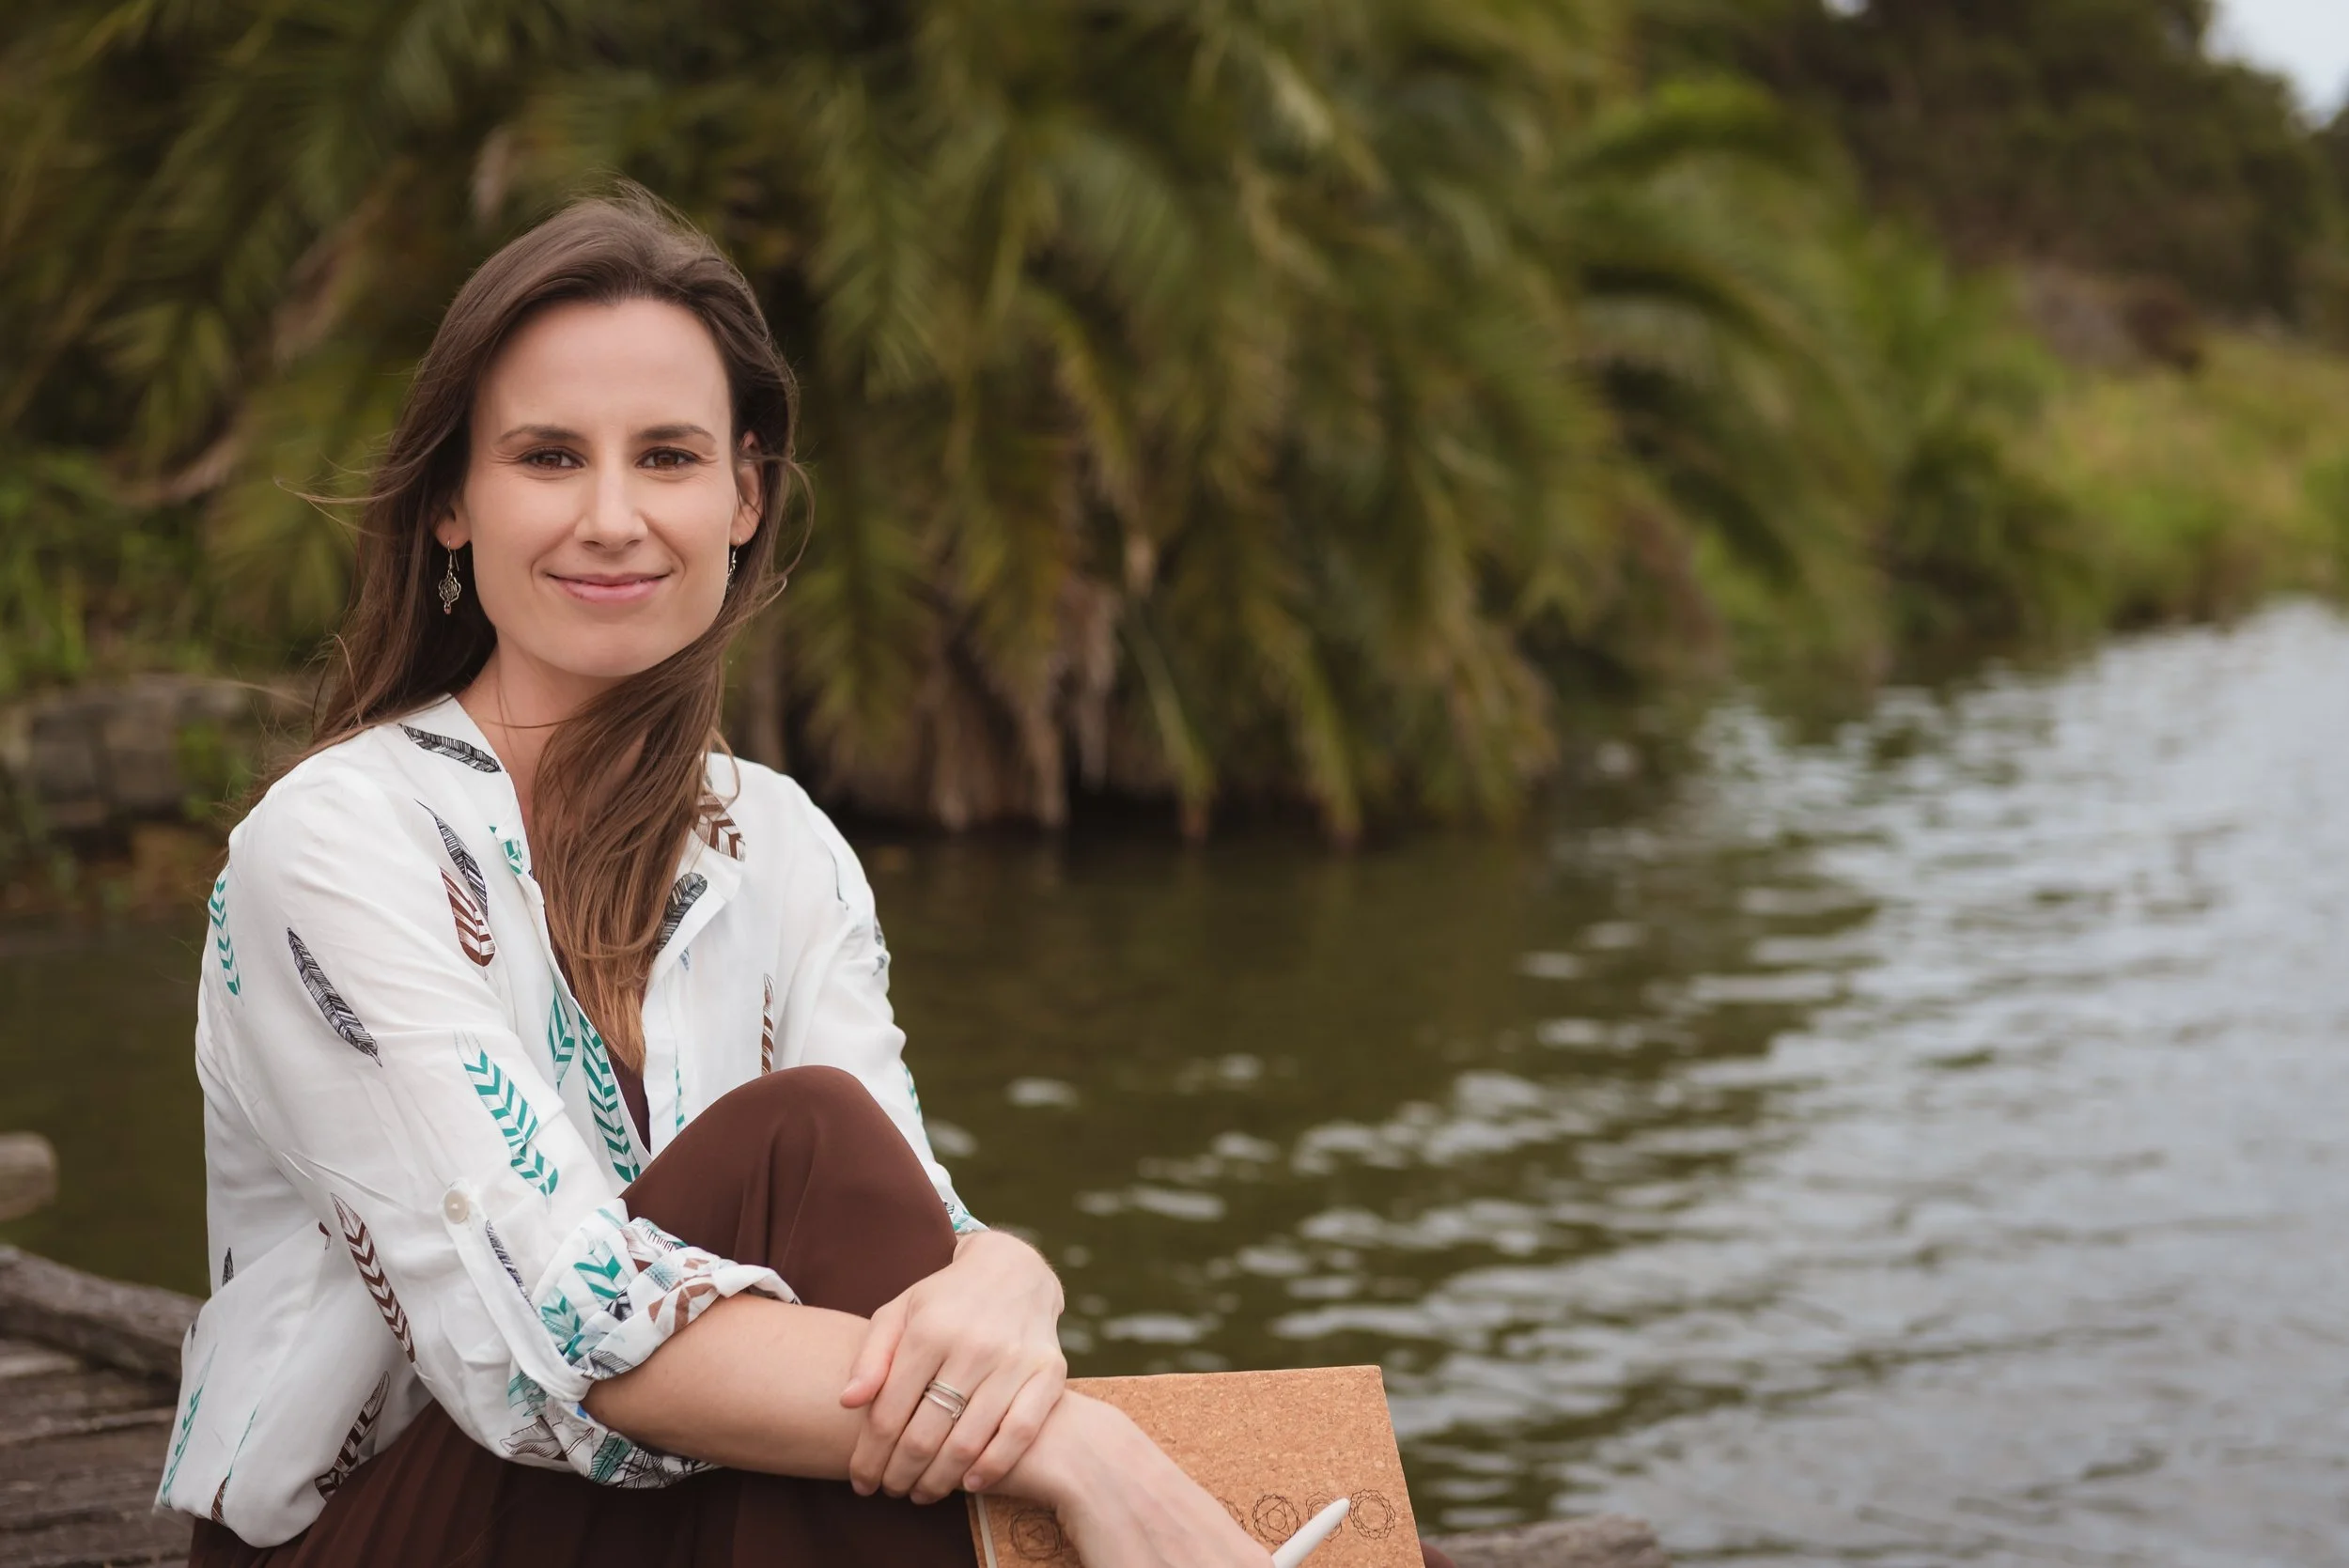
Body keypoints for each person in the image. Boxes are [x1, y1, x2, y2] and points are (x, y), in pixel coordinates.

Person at [163, 185, 1457, 1568]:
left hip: (683, 1492)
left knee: (838, 1174)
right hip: (385, 1529)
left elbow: (906, 1230)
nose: (612, 518)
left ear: (744, 496)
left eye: (666, 457)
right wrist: (1077, 1441)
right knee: (805, 1144)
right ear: (450, 510)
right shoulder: (336, 842)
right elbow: (556, 1342)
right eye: (548, 458)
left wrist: (1016, 1275)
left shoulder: (778, 842)